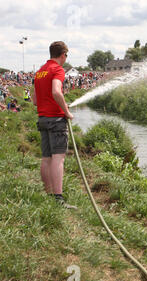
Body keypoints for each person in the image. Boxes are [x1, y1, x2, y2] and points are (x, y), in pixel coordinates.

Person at [32, 41, 76, 209]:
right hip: (56, 120)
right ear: (63, 55)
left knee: (46, 158)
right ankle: (58, 198)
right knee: (58, 159)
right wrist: (66, 112)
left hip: (42, 119)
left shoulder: (40, 71)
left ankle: (49, 194)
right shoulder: (57, 70)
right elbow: (56, 91)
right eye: (66, 56)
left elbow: (35, 100)